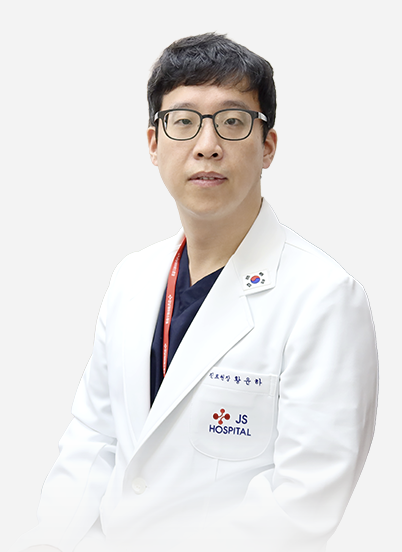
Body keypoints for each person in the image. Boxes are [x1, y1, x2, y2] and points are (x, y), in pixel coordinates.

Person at [11, 33, 378, 552]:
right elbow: (93, 440)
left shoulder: (324, 299)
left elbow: (300, 507)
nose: (207, 144)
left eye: (232, 121)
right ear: (153, 144)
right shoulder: (133, 278)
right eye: (183, 122)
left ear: (267, 147)